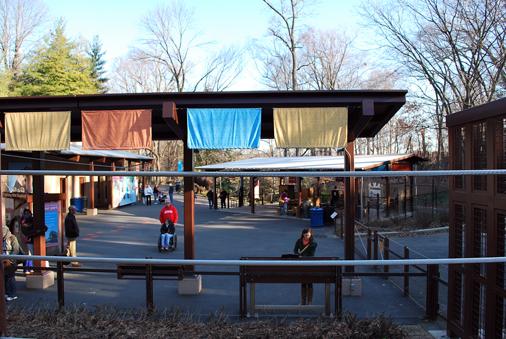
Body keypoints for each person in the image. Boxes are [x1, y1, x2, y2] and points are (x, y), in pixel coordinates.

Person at [293, 228, 317, 305]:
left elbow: (311, 254)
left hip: (309, 263)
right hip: (301, 264)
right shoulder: (299, 241)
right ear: (303, 234)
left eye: (308, 235)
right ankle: (303, 301)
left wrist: (302, 256)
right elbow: (295, 250)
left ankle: (309, 301)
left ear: (311, 235)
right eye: (305, 235)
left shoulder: (313, 243)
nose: (307, 236)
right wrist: (297, 254)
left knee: (309, 282)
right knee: (303, 282)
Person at [3, 225, 23, 301]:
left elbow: (16, 250)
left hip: (11, 261)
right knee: (4, 278)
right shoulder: (2, 239)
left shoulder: (12, 238)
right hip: (3, 260)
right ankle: (6, 293)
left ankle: (12, 294)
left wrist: (9, 259)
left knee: (10, 278)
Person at [19, 208, 35, 273]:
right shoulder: (29, 220)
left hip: (26, 239)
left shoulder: (23, 219)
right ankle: (29, 268)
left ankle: (27, 269)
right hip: (29, 239)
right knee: (30, 254)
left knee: (28, 254)